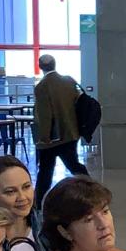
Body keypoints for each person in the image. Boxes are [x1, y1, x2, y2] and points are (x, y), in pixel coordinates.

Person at [33, 53, 89, 202]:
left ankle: (38, 203)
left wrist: (44, 138)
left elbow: (44, 115)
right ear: (55, 64)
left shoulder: (41, 87)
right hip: (71, 133)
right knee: (74, 164)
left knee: (45, 171)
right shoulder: (69, 81)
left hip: (52, 138)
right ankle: (91, 189)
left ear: (40, 66)